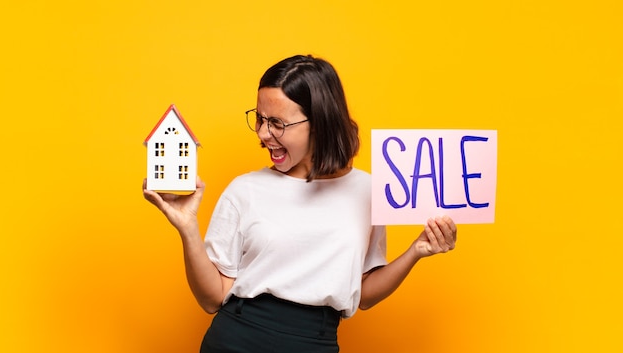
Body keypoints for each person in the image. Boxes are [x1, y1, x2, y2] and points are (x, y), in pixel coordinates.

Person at [143, 54, 457, 353]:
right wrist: (187, 228)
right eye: (260, 119)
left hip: (315, 341)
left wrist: (417, 251)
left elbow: (364, 293)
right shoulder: (245, 190)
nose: (264, 134)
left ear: (319, 122)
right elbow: (212, 298)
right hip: (237, 339)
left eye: (278, 123)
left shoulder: (368, 191)